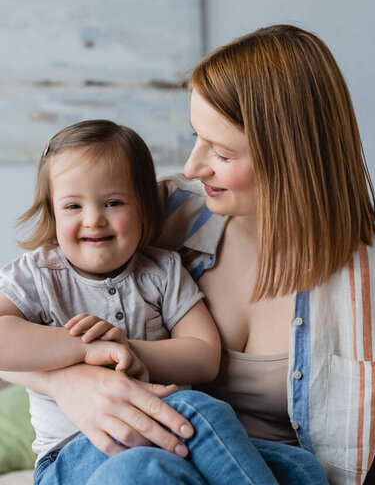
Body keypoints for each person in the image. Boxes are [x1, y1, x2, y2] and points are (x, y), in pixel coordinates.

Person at [1, 24, 375, 484]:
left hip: (242, 460)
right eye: (195, 137)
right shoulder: (165, 213)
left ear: (290, 156)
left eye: (222, 153)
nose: (191, 167)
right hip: (117, 454)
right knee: (146, 466)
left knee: (304, 471)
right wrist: (68, 379)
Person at [0, 119, 324, 485]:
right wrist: (83, 348)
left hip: (168, 434)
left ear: (143, 207)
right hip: (75, 452)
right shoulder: (39, 275)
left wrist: (125, 346)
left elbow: (204, 356)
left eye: (113, 202)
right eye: (73, 205)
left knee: (300, 468)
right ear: (52, 212)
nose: (94, 219)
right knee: (191, 417)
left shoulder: (162, 270)